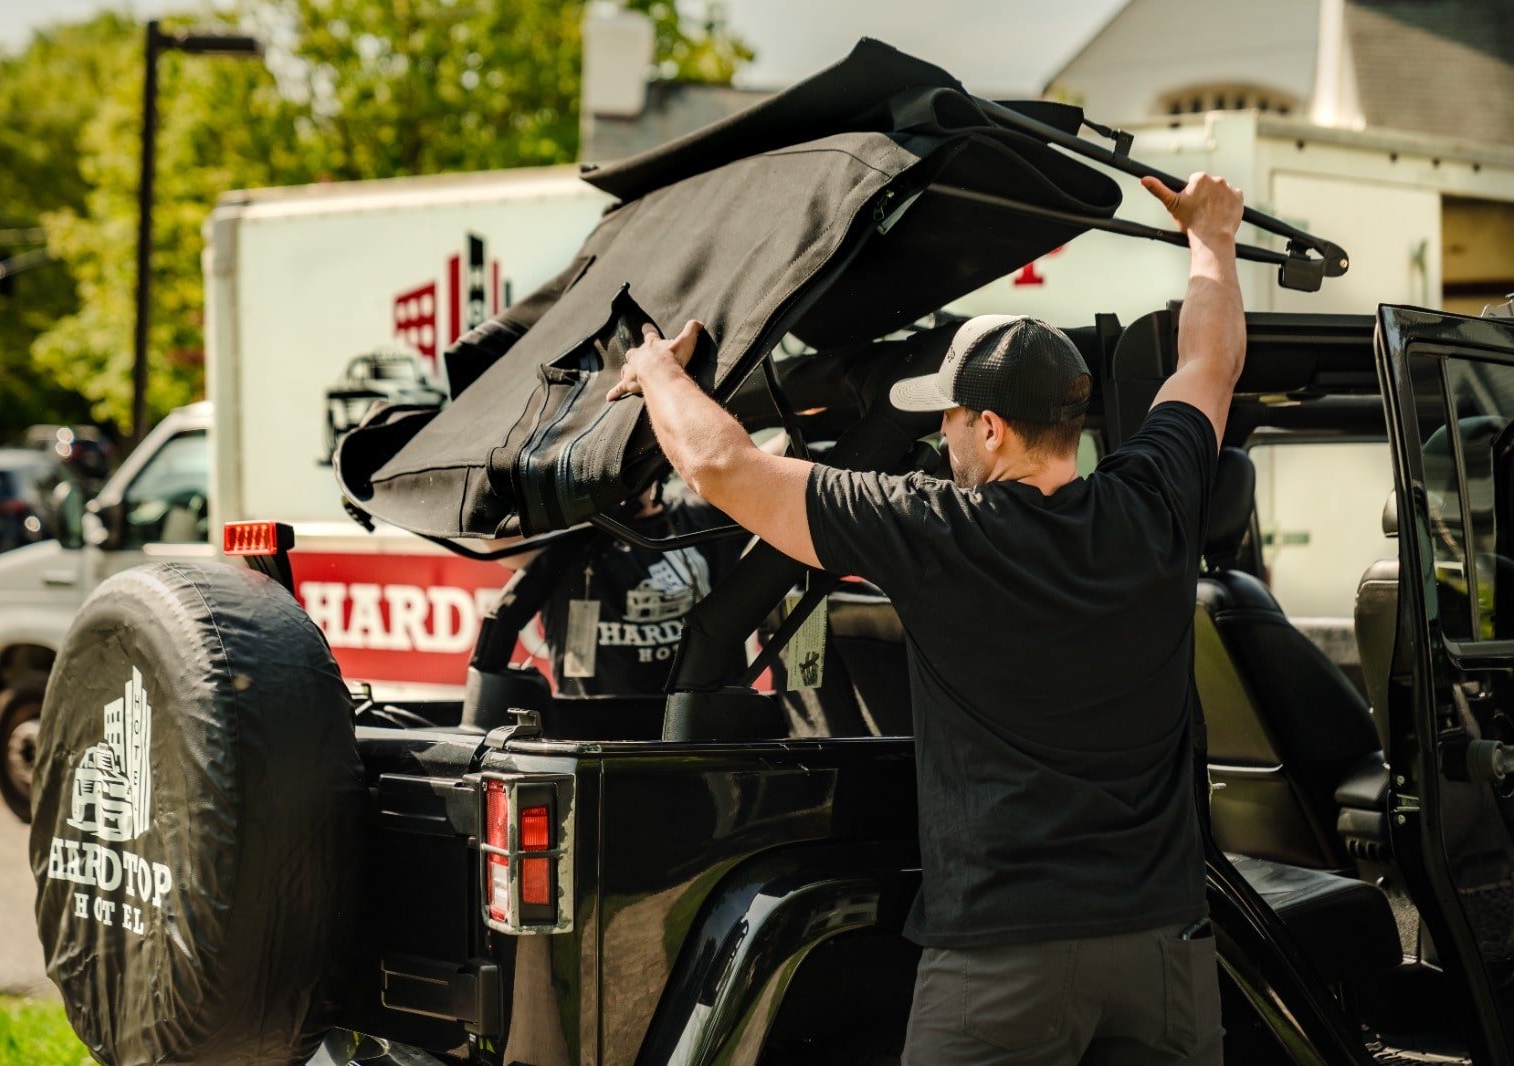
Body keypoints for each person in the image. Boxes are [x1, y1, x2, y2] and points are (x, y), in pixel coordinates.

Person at [606, 171, 1246, 1063]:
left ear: (991, 429)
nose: (941, 437)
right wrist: (1211, 237)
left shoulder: (935, 529)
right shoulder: (1155, 502)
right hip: (1166, 950)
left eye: (948, 418)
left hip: (1004, 958)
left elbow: (726, 470)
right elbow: (1208, 365)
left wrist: (657, 371)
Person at [497, 437, 785, 695]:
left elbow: (778, 458)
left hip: (700, 732)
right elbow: (493, 531)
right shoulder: (564, 539)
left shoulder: (704, 516)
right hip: (595, 736)